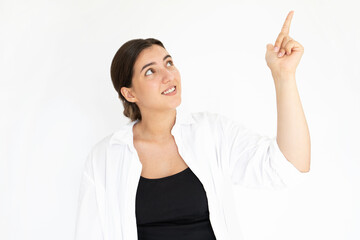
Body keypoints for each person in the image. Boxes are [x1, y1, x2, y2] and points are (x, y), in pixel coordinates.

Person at [74, 11, 310, 240]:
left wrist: (284, 76)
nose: (168, 76)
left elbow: (288, 168)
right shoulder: (104, 158)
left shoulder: (212, 132)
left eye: (169, 63)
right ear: (130, 93)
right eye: (150, 72)